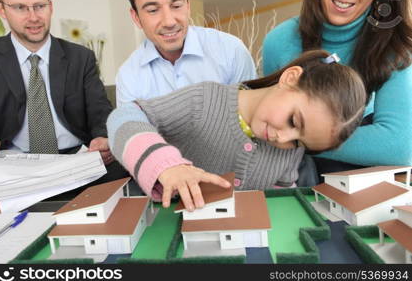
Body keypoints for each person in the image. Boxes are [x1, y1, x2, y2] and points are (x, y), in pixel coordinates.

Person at [107, 50, 367, 212]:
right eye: (293, 121)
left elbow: (280, 195)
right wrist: (165, 166)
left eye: (299, 143)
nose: (283, 138)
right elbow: (125, 116)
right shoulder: (204, 100)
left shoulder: (288, 151)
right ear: (290, 78)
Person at [262, 0, 412, 182]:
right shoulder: (278, 42)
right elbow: (267, 125)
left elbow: (398, 146)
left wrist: (295, 136)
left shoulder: (397, 46)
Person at [0, 0, 128, 195]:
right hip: (16, 168)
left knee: (121, 166)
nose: (34, 17)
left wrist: (103, 137)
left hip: (76, 162)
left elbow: (100, 110)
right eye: (20, 7)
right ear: (1, 10)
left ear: (51, 7)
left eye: (40, 6)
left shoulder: (80, 57)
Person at [117, 0, 257, 106]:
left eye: (177, 6)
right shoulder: (128, 76)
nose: (169, 22)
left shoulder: (231, 51)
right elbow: (132, 134)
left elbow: (251, 122)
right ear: (136, 17)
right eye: (153, 10)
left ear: (188, 6)